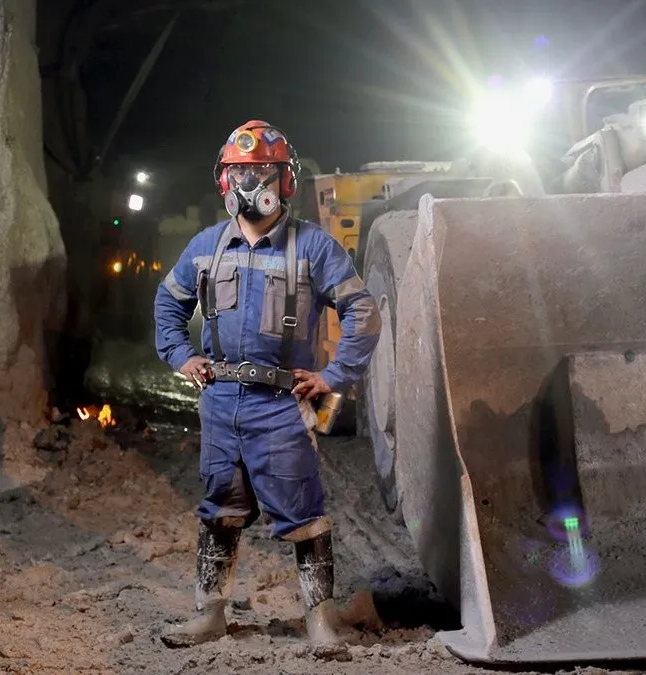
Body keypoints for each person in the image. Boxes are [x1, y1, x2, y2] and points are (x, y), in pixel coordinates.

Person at [153, 120, 381, 655]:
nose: (248, 184)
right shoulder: (206, 247)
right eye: (238, 173)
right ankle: (209, 616)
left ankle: (320, 623)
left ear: (285, 181)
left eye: (261, 173)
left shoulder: (314, 247)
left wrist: (332, 377)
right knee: (221, 507)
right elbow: (168, 304)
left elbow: (363, 312)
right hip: (220, 401)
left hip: (283, 404)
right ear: (223, 180)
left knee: (303, 511)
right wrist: (182, 355)